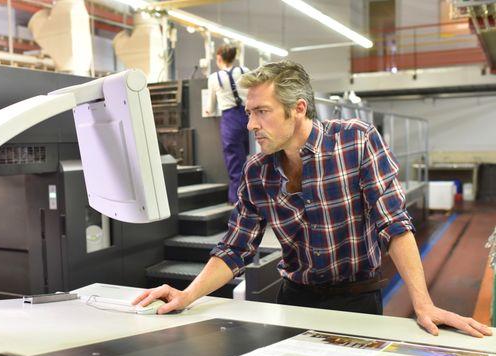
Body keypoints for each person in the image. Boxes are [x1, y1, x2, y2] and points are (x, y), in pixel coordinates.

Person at [134, 60, 492, 338]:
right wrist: (187, 295)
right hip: (295, 298)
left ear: (299, 108)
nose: (250, 125)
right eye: (249, 112)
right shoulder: (256, 170)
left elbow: (393, 224)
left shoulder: (356, 141)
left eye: (262, 112)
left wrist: (422, 303)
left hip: (358, 298)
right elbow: (235, 248)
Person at [205, 45, 250, 204]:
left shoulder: (214, 77)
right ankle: (249, 195)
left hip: (230, 117)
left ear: (219, 58)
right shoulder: (244, 70)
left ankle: (237, 198)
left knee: (233, 157)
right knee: (246, 155)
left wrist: (209, 110)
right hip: (247, 116)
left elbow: (210, 106)